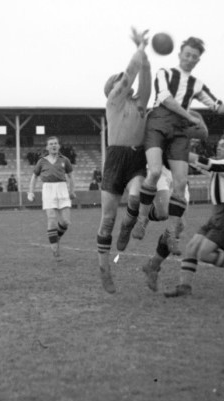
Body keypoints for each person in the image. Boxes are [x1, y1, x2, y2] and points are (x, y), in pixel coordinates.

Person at [132, 36, 224, 257]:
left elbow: (217, 106)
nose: (190, 59)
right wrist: (191, 117)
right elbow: (166, 99)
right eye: (187, 54)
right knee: (156, 170)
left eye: (194, 57)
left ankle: (170, 234)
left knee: (180, 183)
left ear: (198, 61)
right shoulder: (164, 73)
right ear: (180, 54)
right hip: (159, 122)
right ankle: (141, 220)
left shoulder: (196, 84)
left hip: (178, 129)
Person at [158, 133, 224, 297]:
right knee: (191, 248)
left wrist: (179, 151)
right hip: (217, 214)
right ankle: (184, 287)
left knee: (204, 254)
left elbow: (206, 163)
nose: (218, 147)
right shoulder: (221, 166)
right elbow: (200, 164)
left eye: (223, 145)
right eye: (218, 144)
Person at [94, 27, 152, 293]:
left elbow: (145, 84)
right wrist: (139, 50)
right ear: (112, 89)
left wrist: (146, 58)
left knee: (136, 197)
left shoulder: (139, 103)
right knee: (107, 219)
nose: (122, 83)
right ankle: (104, 269)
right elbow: (130, 75)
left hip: (135, 156)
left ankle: (128, 227)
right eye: (118, 81)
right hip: (116, 158)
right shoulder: (113, 102)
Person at [27, 136, 76, 260]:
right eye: (51, 144)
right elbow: (34, 177)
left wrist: (72, 191)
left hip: (62, 189)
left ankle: (56, 236)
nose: (54, 146)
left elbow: (71, 176)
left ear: (58, 146)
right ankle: (55, 251)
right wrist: (30, 192)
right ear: (47, 147)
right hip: (48, 190)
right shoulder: (42, 161)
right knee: (52, 219)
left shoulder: (65, 160)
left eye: (55, 143)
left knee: (65, 221)